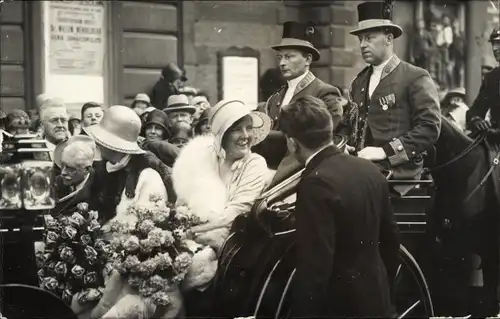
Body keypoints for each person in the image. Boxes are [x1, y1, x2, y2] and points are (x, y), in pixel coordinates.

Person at [278, 95, 399, 318]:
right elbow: (391, 243)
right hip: (376, 298)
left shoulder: (315, 182)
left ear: (292, 143)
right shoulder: (370, 170)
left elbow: (316, 265)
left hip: (339, 306)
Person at [348, 1, 441, 195]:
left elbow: (429, 127)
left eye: (369, 38)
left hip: (399, 172)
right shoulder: (359, 82)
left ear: (389, 39)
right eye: (361, 39)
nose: (363, 44)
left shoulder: (414, 77)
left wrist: (385, 152)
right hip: (360, 164)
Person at [255, 21, 344, 185]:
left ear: (307, 59)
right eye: (280, 57)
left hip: (304, 177)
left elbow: (319, 143)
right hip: (269, 172)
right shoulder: (275, 98)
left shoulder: (324, 93)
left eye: (289, 57)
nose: (282, 63)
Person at [83, 105, 174, 225]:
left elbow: (146, 224)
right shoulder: (104, 168)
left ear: (112, 144)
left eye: (101, 140)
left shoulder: (147, 174)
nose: (97, 143)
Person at [51, 135, 99, 216]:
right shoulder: (56, 182)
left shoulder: (99, 190)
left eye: (71, 169)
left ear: (87, 169)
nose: (63, 172)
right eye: (63, 165)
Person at [466, 27, 500, 136]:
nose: (495, 48)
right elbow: (474, 111)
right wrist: (477, 121)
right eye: (493, 44)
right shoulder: (491, 78)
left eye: (499, 43)